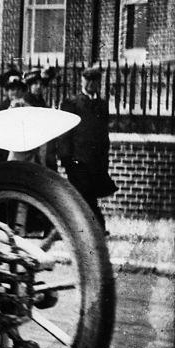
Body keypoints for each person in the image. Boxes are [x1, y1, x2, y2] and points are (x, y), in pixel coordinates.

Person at [58, 66, 116, 234]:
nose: (91, 84)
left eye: (95, 81)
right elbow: (64, 132)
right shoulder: (71, 103)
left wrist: (104, 158)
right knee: (83, 192)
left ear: (99, 83)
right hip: (77, 158)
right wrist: (66, 157)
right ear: (82, 81)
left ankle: (85, 227)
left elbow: (103, 133)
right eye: (88, 80)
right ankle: (96, 225)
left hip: (96, 160)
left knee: (89, 193)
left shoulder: (102, 105)